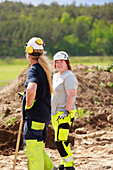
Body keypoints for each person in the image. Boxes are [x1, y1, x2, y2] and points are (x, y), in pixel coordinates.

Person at [22, 37, 57, 170]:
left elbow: (32, 88)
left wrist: (28, 105)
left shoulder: (34, 69)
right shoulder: (45, 69)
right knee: (38, 147)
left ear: (28, 52)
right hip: (44, 117)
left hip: (34, 117)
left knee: (32, 150)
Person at [51, 51, 78, 170]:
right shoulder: (56, 76)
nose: (59, 64)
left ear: (67, 63)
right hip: (55, 113)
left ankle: (69, 165)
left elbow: (71, 95)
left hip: (64, 113)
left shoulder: (69, 76)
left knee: (59, 141)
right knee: (61, 139)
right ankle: (63, 164)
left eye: (61, 61)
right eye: (57, 62)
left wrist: (66, 111)